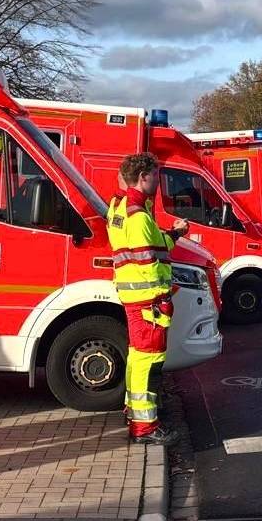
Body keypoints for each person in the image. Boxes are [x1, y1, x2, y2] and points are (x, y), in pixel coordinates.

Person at [107, 153, 187, 444]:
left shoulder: (119, 208)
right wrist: (162, 295)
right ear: (143, 177)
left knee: (137, 358)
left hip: (135, 297)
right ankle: (145, 428)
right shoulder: (138, 216)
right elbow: (147, 260)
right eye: (155, 175)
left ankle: (135, 413)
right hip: (148, 300)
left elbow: (149, 245)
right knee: (149, 360)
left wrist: (173, 235)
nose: (158, 181)